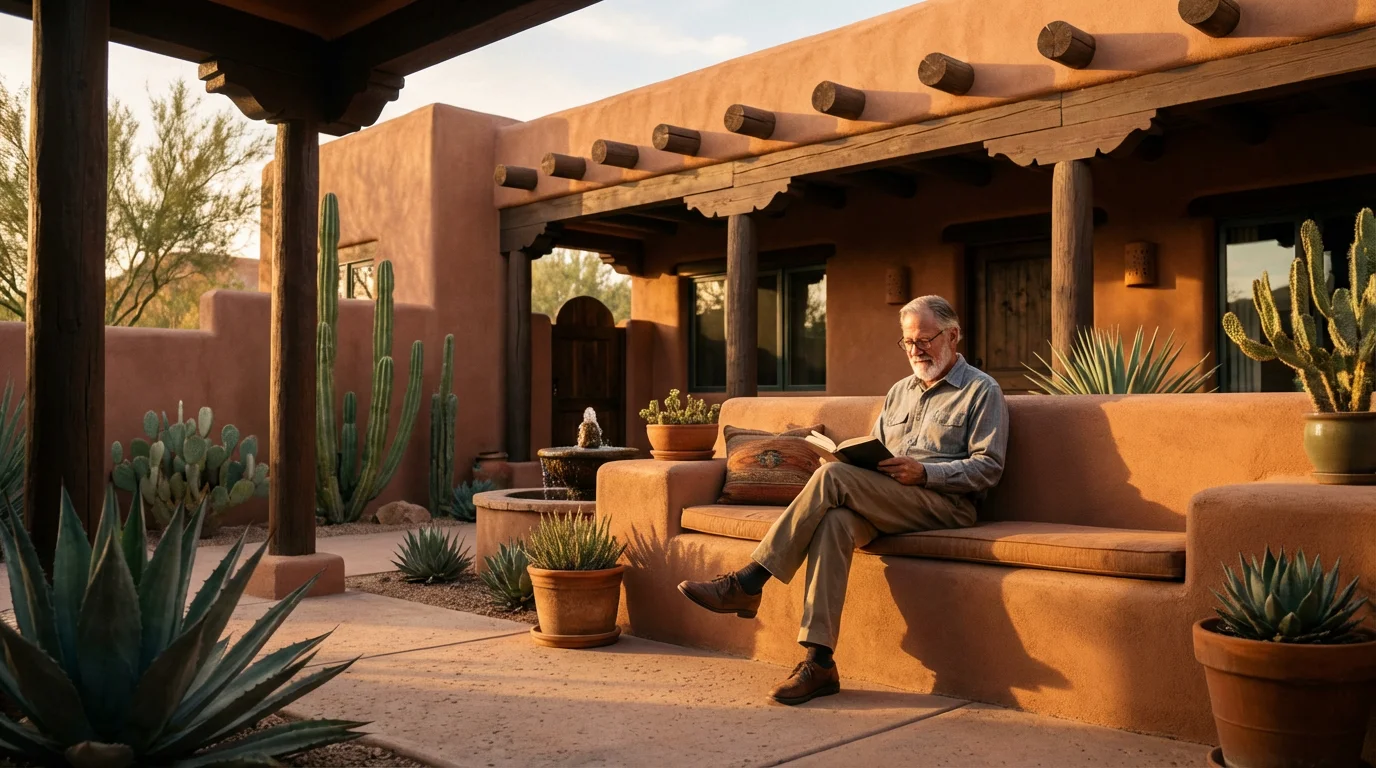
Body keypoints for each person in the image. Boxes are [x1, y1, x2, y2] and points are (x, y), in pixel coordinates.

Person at [677, 295, 1009, 705]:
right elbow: (877, 449)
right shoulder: (899, 392)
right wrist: (858, 459)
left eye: (924, 340)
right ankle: (820, 662)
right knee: (834, 521)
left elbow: (988, 468)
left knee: (831, 477)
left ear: (953, 335)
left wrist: (926, 472)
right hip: (890, 499)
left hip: (947, 504)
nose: (915, 350)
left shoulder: (982, 390)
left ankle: (749, 581)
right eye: (907, 342)